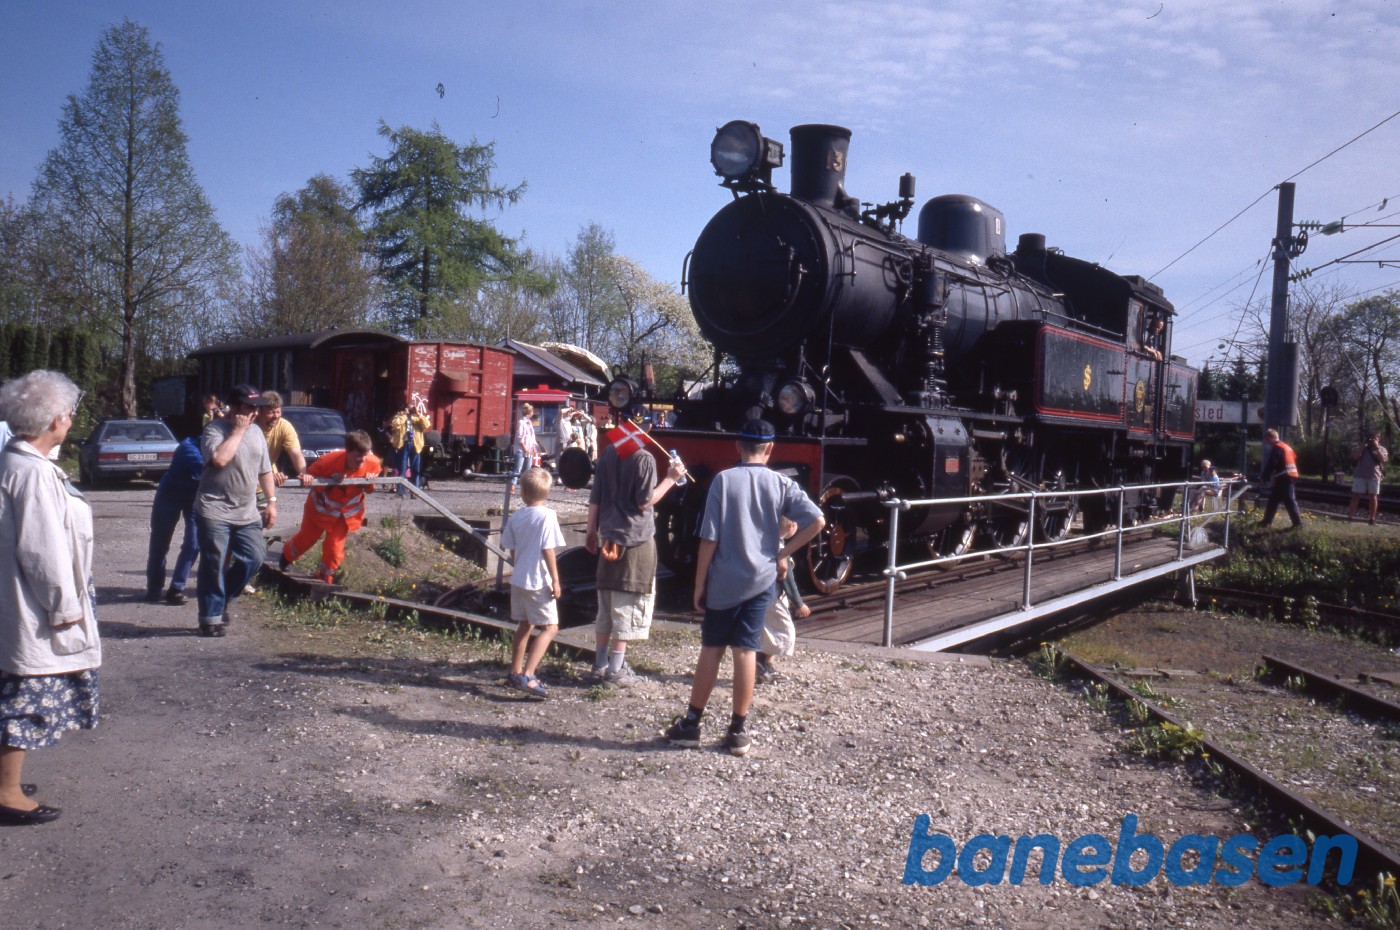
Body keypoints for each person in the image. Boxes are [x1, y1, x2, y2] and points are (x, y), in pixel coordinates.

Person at [666, 419, 824, 756]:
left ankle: (691, 725)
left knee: (712, 648)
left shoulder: (723, 481)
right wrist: (782, 553)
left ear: (737, 447)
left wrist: (699, 584)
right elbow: (818, 521)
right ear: (770, 449)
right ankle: (737, 730)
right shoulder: (781, 483)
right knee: (746, 650)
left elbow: (709, 538)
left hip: (724, 581)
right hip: (762, 581)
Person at [0, 370, 99, 825]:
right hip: (33, 604)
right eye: (70, 413)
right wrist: (64, 608)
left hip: (18, 597)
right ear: (57, 418)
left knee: (15, 689)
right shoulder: (32, 473)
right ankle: (6, 792)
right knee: (25, 697)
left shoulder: (13, 461)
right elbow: (43, 550)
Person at [585, 426, 686, 685]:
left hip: (609, 534)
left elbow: (596, 494)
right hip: (635, 538)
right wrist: (671, 479)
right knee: (628, 600)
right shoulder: (644, 458)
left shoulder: (608, 453)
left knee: (607, 601)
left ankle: (600, 664)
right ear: (647, 429)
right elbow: (644, 501)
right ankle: (616, 669)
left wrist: (591, 529)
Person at [194, 383, 276, 637]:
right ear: (235, 407)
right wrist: (238, 431)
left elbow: (265, 470)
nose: (255, 413)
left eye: (257, 408)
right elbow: (219, 459)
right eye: (250, 407)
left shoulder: (257, 433)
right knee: (214, 562)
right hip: (214, 509)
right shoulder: (214, 430)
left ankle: (223, 598)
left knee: (254, 557)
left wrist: (272, 501)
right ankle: (210, 617)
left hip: (246, 511)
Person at [279, 431, 381, 584]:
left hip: (344, 515)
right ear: (348, 451)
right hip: (319, 510)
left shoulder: (373, 463)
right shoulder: (327, 462)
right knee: (306, 539)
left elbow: (369, 489)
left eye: (365, 455)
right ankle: (285, 558)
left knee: (334, 548)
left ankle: (325, 577)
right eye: (358, 455)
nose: (362, 460)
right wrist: (328, 481)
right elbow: (310, 481)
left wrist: (369, 482)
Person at [500, 467, 566, 698]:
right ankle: (528, 675)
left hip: (519, 579)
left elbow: (511, 549)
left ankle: (514, 671)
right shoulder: (547, 516)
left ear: (523, 492)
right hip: (538, 580)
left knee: (524, 625)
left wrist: (520, 566)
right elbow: (548, 550)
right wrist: (556, 580)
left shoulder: (516, 516)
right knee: (550, 627)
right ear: (546, 492)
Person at [145, 435, 203, 606]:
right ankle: (154, 587)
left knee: (193, 543)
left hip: (194, 498)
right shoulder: (189, 446)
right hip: (170, 494)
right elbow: (210, 469)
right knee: (160, 543)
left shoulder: (220, 447)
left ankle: (177, 588)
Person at [755, 517, 810, 684]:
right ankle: (762, 666)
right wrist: (799, 604)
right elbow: (788, 580)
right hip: (773, 597)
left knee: (767, 632)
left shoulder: (765, 543)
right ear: (792, 526)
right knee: (784, 631)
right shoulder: (781, 550)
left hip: (764, 595)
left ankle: (765, 667)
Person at [257, 391, 305, 487]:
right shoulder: (251, 426)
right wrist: (270, 474)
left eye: (278, 412)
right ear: (260, 412)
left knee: (270, 501)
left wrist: (303, 474)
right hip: (245, 482)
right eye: (271, 412)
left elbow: (295, 453)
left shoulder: (284, 426)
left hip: (264, 485)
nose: (276, 416)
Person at [1259, 428, 1301, 530]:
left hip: (1285, 477)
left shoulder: (1277, 448)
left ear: (1271, 437)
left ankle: (1298, 525)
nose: (1267, 442)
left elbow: (1272, 463)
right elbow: (1294, 458)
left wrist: (1264, 477)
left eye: (1267, 439)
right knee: (1273, 500)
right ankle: (1266, 522)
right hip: (1288, 475)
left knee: (1290, 501)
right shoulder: (1286, 447)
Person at [1347, 432, 1389, 525]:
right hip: (1360, 475)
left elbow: (1383, 459)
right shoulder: (1364, 448)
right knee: (1355, 496)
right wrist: (1363, 445)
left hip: (1374, 475)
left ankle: (1372, 518)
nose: (1372, 440)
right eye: (1370, 438)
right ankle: (1350, 517)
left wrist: (1377, 447)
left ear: (1379, 439)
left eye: (1374, 438)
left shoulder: (1382, 449)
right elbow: (1355, 456)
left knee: (1373, 497)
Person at [388, 404, 431, 494]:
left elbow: (427, 424)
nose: (411, 410)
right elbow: (395, 424)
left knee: (415, 469)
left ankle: (415, 491)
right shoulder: (399, 416)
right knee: (402, 468)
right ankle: (401, 491)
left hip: (415, 445)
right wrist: (405, 415)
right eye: (410, 408)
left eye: (413, 408)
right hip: (403, 444)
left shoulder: (418, 418)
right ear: (405, 409)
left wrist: (418, 414)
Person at [509, 403, 538, 495]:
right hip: (521, 449)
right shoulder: (521, 422)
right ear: (530, 412)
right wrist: (525, 448)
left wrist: (533, 447)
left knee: (528, 469)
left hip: (529, 448)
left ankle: (525, 488)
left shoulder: (529, 423)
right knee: (518, 468)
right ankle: (512, 486)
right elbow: (519, 437)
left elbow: (532, 437)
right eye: (532, 411)